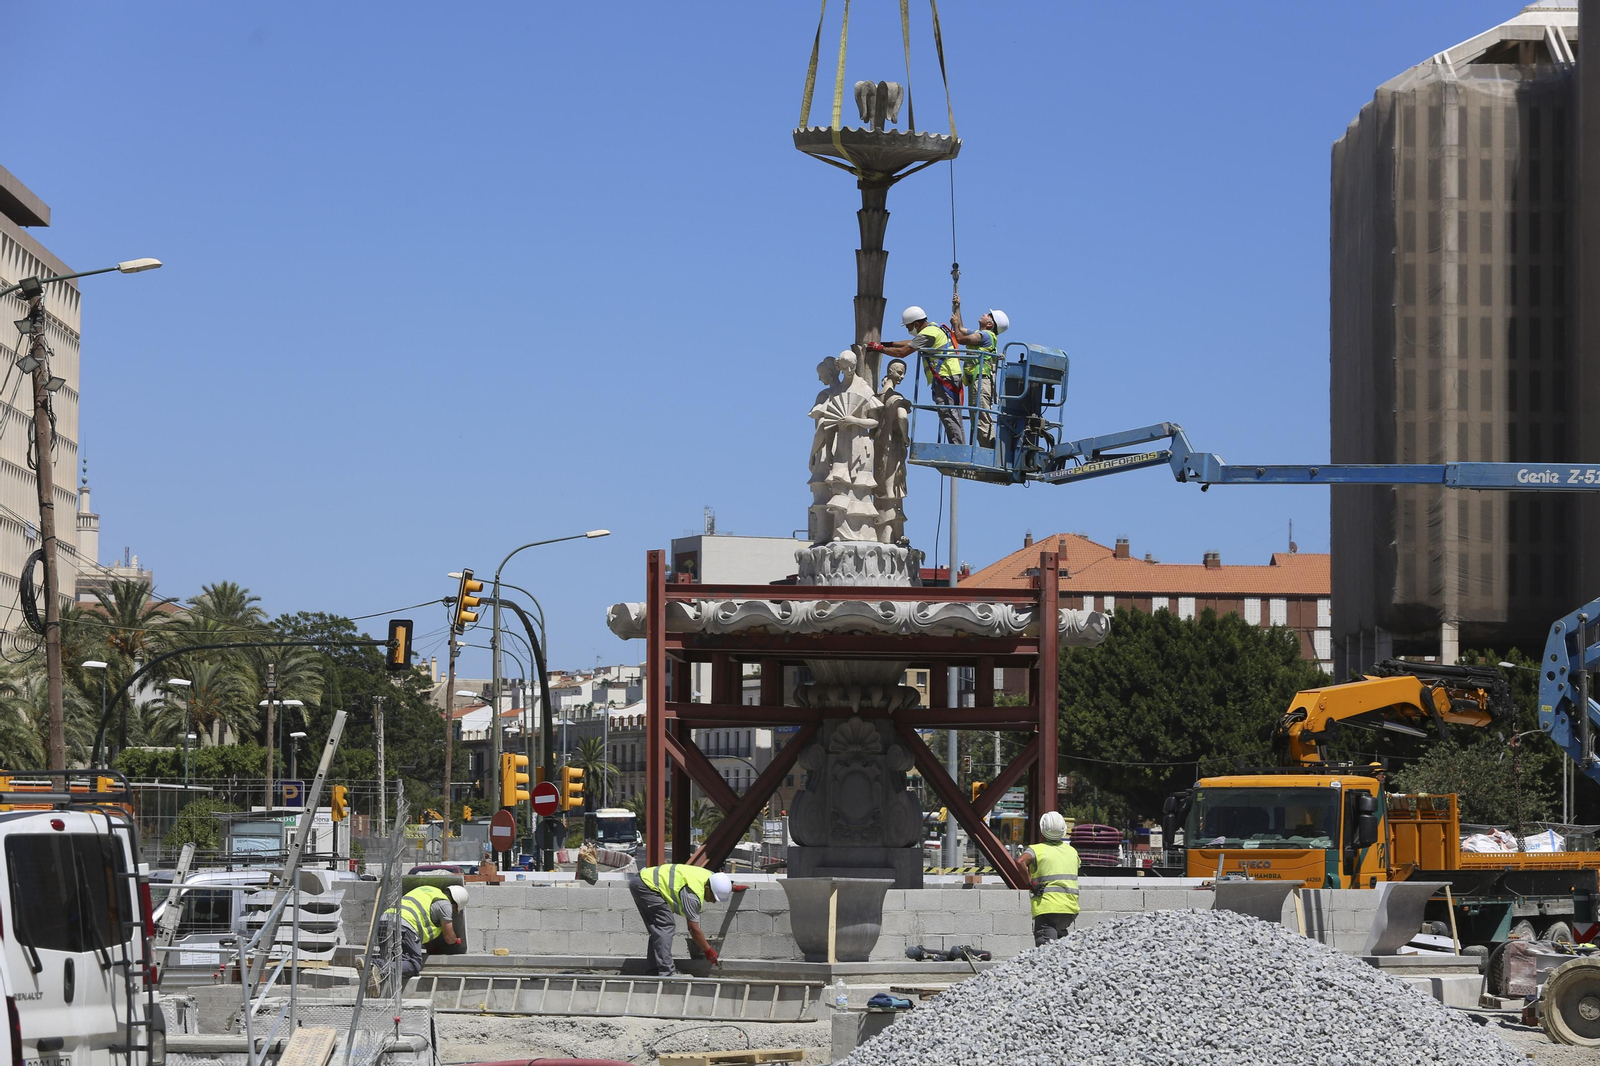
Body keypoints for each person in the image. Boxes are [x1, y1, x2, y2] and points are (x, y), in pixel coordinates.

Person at [869, 307, 964, 445]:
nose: (909, 330)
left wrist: (881, 349)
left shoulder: (927, 334)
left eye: (908, 327)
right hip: (952, 375)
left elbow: (902, 352)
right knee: (954, 414)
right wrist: (890, 344)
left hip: (944, 377)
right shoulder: (934, 328)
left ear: (916, 324)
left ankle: (957, 447)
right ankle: (959, 445)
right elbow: (911, 342)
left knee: (948, 414)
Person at [629, 864, 733, 977]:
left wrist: (732, 887)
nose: (713, 901)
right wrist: (708, 951)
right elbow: (693, 929)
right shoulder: (693, 895)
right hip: (647, 886)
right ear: (707, 888)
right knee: (665, 926)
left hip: (641, 881)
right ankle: (667, 973)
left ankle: (654, 971)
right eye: (714, 897)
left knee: (658, 930)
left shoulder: (710, 877)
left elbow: (720, 881)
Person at [369, 883, 467, 994]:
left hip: (384, 921)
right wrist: (456, 940)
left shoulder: (427, 890)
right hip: (404, 925)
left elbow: (424, 922)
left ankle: (370, 968)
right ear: (455, 904)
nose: (452, 912)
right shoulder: (445, 904)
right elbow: (449, 938)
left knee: (393, 959)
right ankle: (374, 965)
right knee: (413, 965)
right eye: (454, 910)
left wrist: (431, 948)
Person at [948, 295, 1009, 448]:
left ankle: (989, 450)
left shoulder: (986, 336)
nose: (984, 314)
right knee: (977, 418)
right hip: (977, 381)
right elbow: (961, 329)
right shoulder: (982, 333)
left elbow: (960, 338)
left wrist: (955, 325)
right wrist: (957, 307)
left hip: (981, 381)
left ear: (989, 324)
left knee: (982, 418)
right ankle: (986, 448)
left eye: (988, 315)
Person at [1017, 812, 1080, 946]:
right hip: (1069, 910)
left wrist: (1031, 884)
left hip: (1047, 908)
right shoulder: (1072, 852)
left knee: (1045, 952)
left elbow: (1020, 861)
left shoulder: (1036, 850)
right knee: (1061, 950)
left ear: (1042, 830)